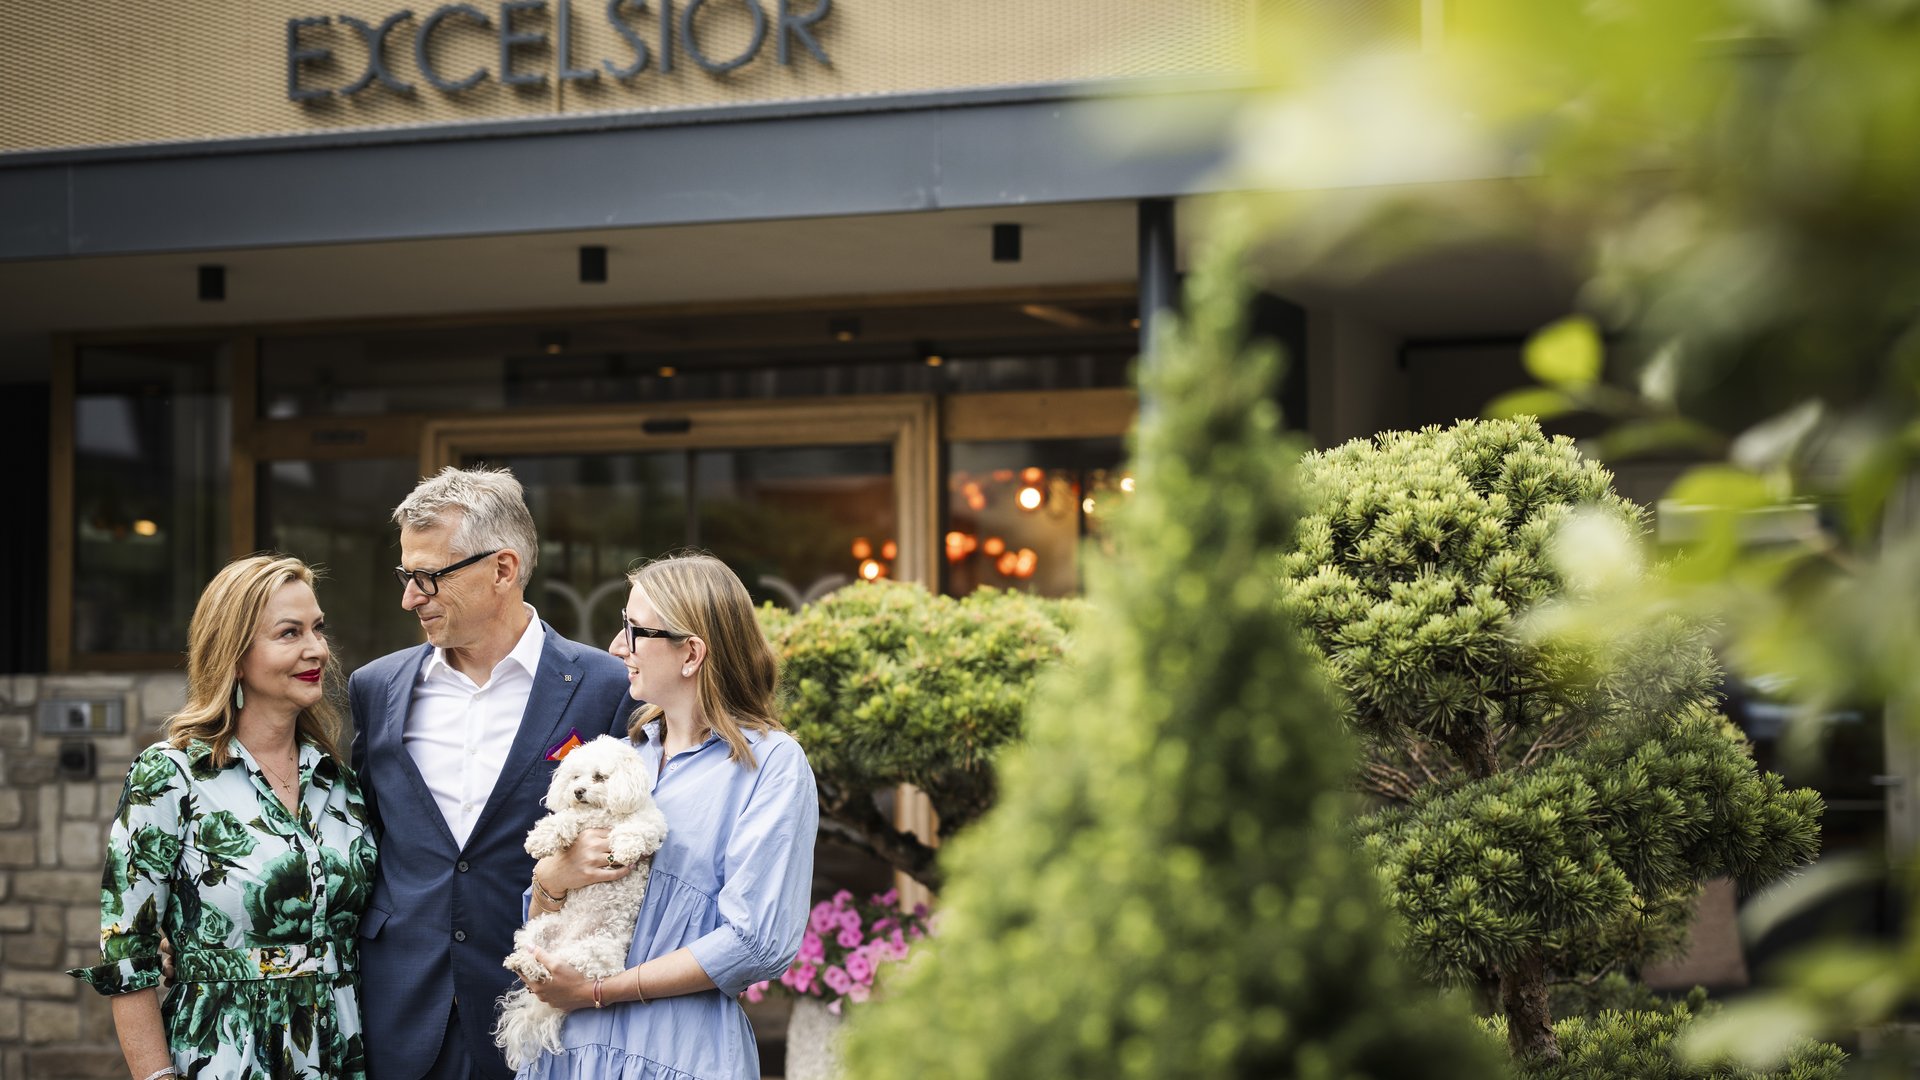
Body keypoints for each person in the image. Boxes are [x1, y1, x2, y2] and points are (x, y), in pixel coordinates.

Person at [349, 467, 632, 1080]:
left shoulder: (605, 687)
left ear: (502, 569)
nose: (409, 597)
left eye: (428, 577)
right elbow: (360, 837)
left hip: (544, 1009)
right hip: (401, 1008)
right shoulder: (374, 688)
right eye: (406, 576)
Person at [70, 554, 377, 1079]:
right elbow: (129, 953)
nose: (317, 650)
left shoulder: (340, 781)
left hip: (340, 1054)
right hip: (225, 1054)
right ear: (235, 655)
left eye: (318, 629)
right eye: (289, 633)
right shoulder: (170, 776)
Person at [516, 553, 819, 1080]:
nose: (616, 647)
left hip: (677, 1052)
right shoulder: (618, 759)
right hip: (568, 1053)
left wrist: (596, 992)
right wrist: (551, 882)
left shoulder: (770, 765)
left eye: (634, 629)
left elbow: (754, 942)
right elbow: (548, 926)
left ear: (691, 653)